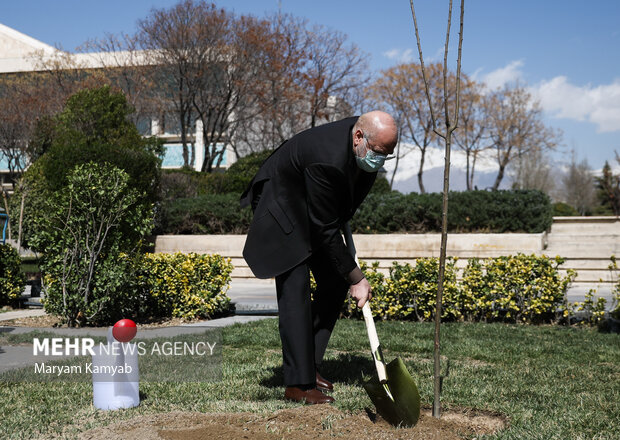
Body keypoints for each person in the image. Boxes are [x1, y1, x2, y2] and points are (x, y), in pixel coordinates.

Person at [240, 111, 398, 404]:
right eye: (377, 153)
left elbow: (337, 209)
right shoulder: (325, 157)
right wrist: (358, 277)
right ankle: (297, 384)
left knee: (335, 281)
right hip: (281, 205)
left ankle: (308, 364)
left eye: (386, 156)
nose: (379, 160)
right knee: (295, 286)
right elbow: (324, 229)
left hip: (310, 204)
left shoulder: (365, 145)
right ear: (359, 137)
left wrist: (346, 272)